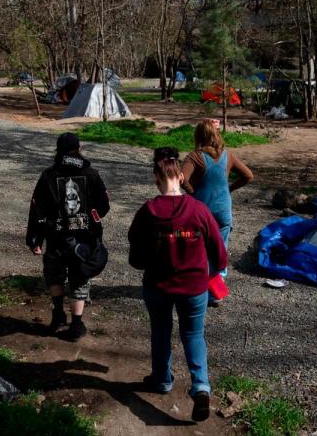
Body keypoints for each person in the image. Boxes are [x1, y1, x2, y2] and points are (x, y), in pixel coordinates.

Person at [129, 147, 228, 422]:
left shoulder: (147, 211)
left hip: (158, 286)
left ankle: (162, 380)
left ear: (155, 178)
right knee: (194, 335)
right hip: (194, 286)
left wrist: (142, 262)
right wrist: (215, 269)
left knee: (161, 332)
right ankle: (201, 387)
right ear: (181, 179)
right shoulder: (199, 210)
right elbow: (219, 253)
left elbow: (135, 252)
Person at [26, 132, 110, 341]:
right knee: (79, 276)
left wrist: (35, 238)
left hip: (55, 236)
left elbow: (37, 208)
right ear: (79, 149)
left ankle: (57, 315)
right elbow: (103, 205)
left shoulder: (48, 175)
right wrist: (92, 219)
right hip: (84, 238)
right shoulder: (91, 174)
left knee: (55, 274)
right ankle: (77, 324)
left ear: (57, 151)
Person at [181, 119, 253, 305]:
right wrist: (229, 188)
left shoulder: (194, 157)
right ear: (216, 135)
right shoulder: (228, 156)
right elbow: (248, 175)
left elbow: (182, 179)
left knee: (200, 251)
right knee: (219, 250)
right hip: (223, 211)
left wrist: (193, 192)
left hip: (202, 212)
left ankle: (198, 292)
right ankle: (215, 293)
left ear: (198, 136)